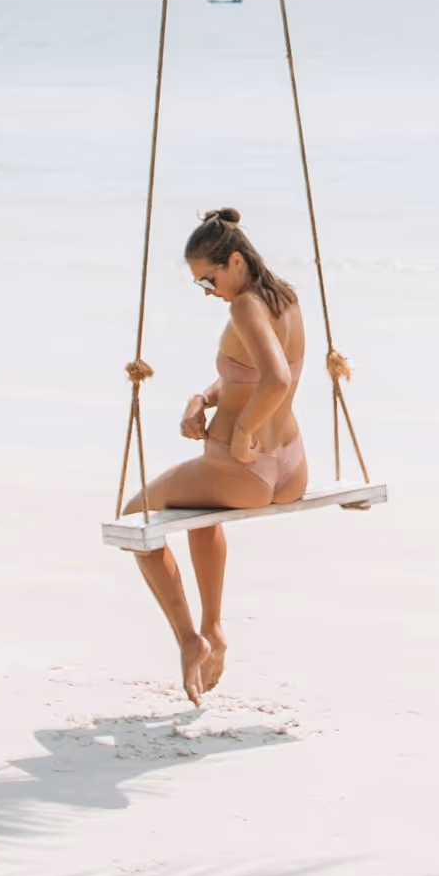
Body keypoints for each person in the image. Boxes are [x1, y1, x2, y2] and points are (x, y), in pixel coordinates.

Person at [121, 207, 312, 703]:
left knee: (133, 517)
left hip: (243, 471)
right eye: (200, 285)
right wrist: (204, 399)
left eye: (209, 279)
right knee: (198, 515)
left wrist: (245, 429)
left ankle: (191, 639)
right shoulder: (283, 297)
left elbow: (277, 379)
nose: (210, 292)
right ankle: (214, 630)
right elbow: (250, 371)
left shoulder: (243, 306)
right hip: (291, 467)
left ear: (234, 262)